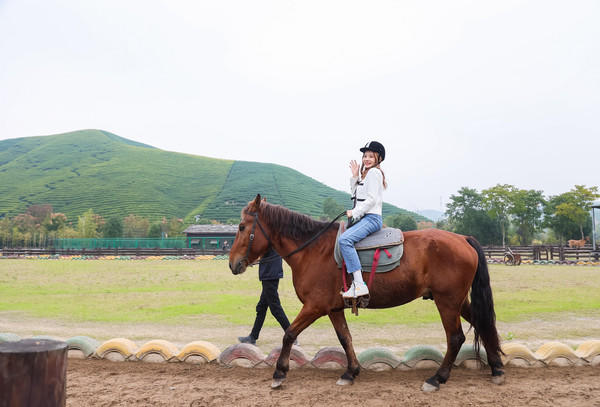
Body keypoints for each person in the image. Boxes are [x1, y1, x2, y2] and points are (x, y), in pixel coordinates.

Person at [339, 141, 387, 299]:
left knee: (344, 240)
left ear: (378, 158)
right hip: (363, 216)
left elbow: (371, 200)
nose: (366, 159)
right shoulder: (366, 175)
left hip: (371, 218)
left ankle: (359, 284)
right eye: (365, 156)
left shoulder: (374, 173)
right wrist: (354, 177)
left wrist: (354, 212)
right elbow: (355, 197)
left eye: (370, 156)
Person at [238, 247, 293, 345]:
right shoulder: (271, 236)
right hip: (270, 273)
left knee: (275, 308)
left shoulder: (269, 236)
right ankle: (253, 337)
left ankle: (292, 335)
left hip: (270, 274)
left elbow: (260, 249)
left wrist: (250, 260)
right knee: (261, 307)